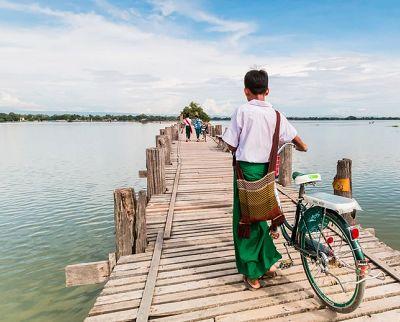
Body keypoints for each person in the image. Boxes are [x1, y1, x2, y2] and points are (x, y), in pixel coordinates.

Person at [222, 69, 308, 290]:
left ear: (246, 91)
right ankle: (267, 264)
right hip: (268, 173)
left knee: (245, 221)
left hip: (245, 173)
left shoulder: (242, 111)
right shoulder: (277, 115)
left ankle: (252, 274)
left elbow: (230, 144)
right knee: (261, 217)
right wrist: (301, 146)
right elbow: (298, 140)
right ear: (267, 90)